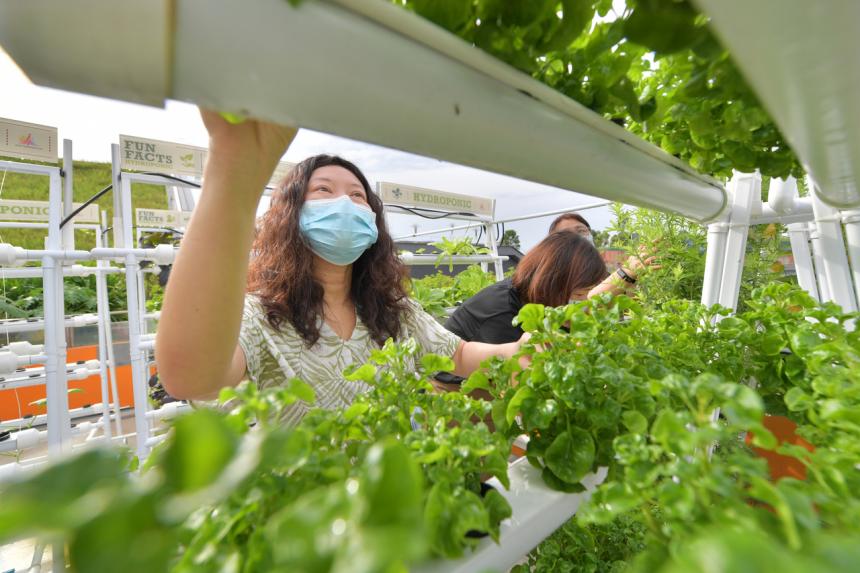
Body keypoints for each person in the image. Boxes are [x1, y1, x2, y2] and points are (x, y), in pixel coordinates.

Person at [156, 110, 528, 424]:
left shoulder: (390, 309)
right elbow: (192, 377)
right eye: (323, 191)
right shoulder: (260, 316)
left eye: (357, 195)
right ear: (289, 215)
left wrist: (521, 351)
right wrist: (234, 167)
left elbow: (458, 355)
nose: (345, 204)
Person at [445, 231, 610, 344]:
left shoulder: (538, 301)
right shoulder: (501, 310)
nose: (583, 302)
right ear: (553, 283)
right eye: (580, 294)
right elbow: (506, 380)